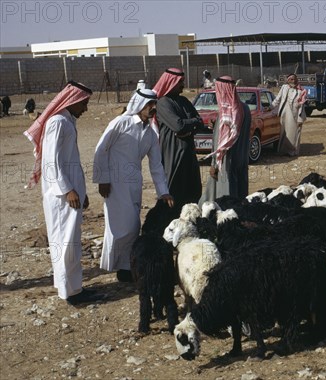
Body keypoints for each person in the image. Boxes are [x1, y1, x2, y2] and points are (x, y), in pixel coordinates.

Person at [23, 81, 104, 305]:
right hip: (61, 197)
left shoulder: (67, 121)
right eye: (84, 103)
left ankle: (74, 288)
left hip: (71, 193)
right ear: (74, 101)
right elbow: (51, 162)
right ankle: (69, 293)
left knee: (72, 243)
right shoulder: (58, 122)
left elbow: (70, 162)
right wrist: (68, 189)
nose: (86, 109)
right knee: (64, 243)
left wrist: (81, 191)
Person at [93, 89, 175, 282]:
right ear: (139, 104)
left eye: (155, 104)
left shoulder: (151, 132)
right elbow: (101, 149)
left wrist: (164, 192)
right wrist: (102, 179)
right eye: (149, 105)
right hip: (114, 184)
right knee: (122, 226)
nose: (153, 108)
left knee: (133, 225)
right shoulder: (120, 123)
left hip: (134, 184)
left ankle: (125, 267)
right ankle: (121, 266)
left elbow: (156, 165)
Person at [153, 68, 203, 208]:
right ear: (171, 82)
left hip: (188, 154)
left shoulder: (183, 100)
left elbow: (200, 122)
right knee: (173, 190)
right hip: (173, 154)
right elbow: (178, 126)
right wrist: (190, 124)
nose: (182, 84)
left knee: (192, 191)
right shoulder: (163, 103)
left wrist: (188, 128)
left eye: (182, 81)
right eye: (180, 82)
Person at [200, 76, 251, 202]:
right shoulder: (245, 108)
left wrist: (214, 165)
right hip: (241, 158)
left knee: (225, 198)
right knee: (239, 194)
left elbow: (222, 142)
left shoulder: (227, 113)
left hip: (226, 162)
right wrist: (216, 125)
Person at [271, 73, 307, 156]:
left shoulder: (301, 91)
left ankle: (293, 152)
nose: (293, 81)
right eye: (291, 79)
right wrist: (270, 107)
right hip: (284, 114)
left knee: (294, 134)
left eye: (294, 79)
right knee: (284, 133)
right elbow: (278, 99)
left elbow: (301, 106)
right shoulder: (284, 88)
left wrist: (300, 119)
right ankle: (283, 151)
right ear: (287, 80)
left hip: (295, 115)